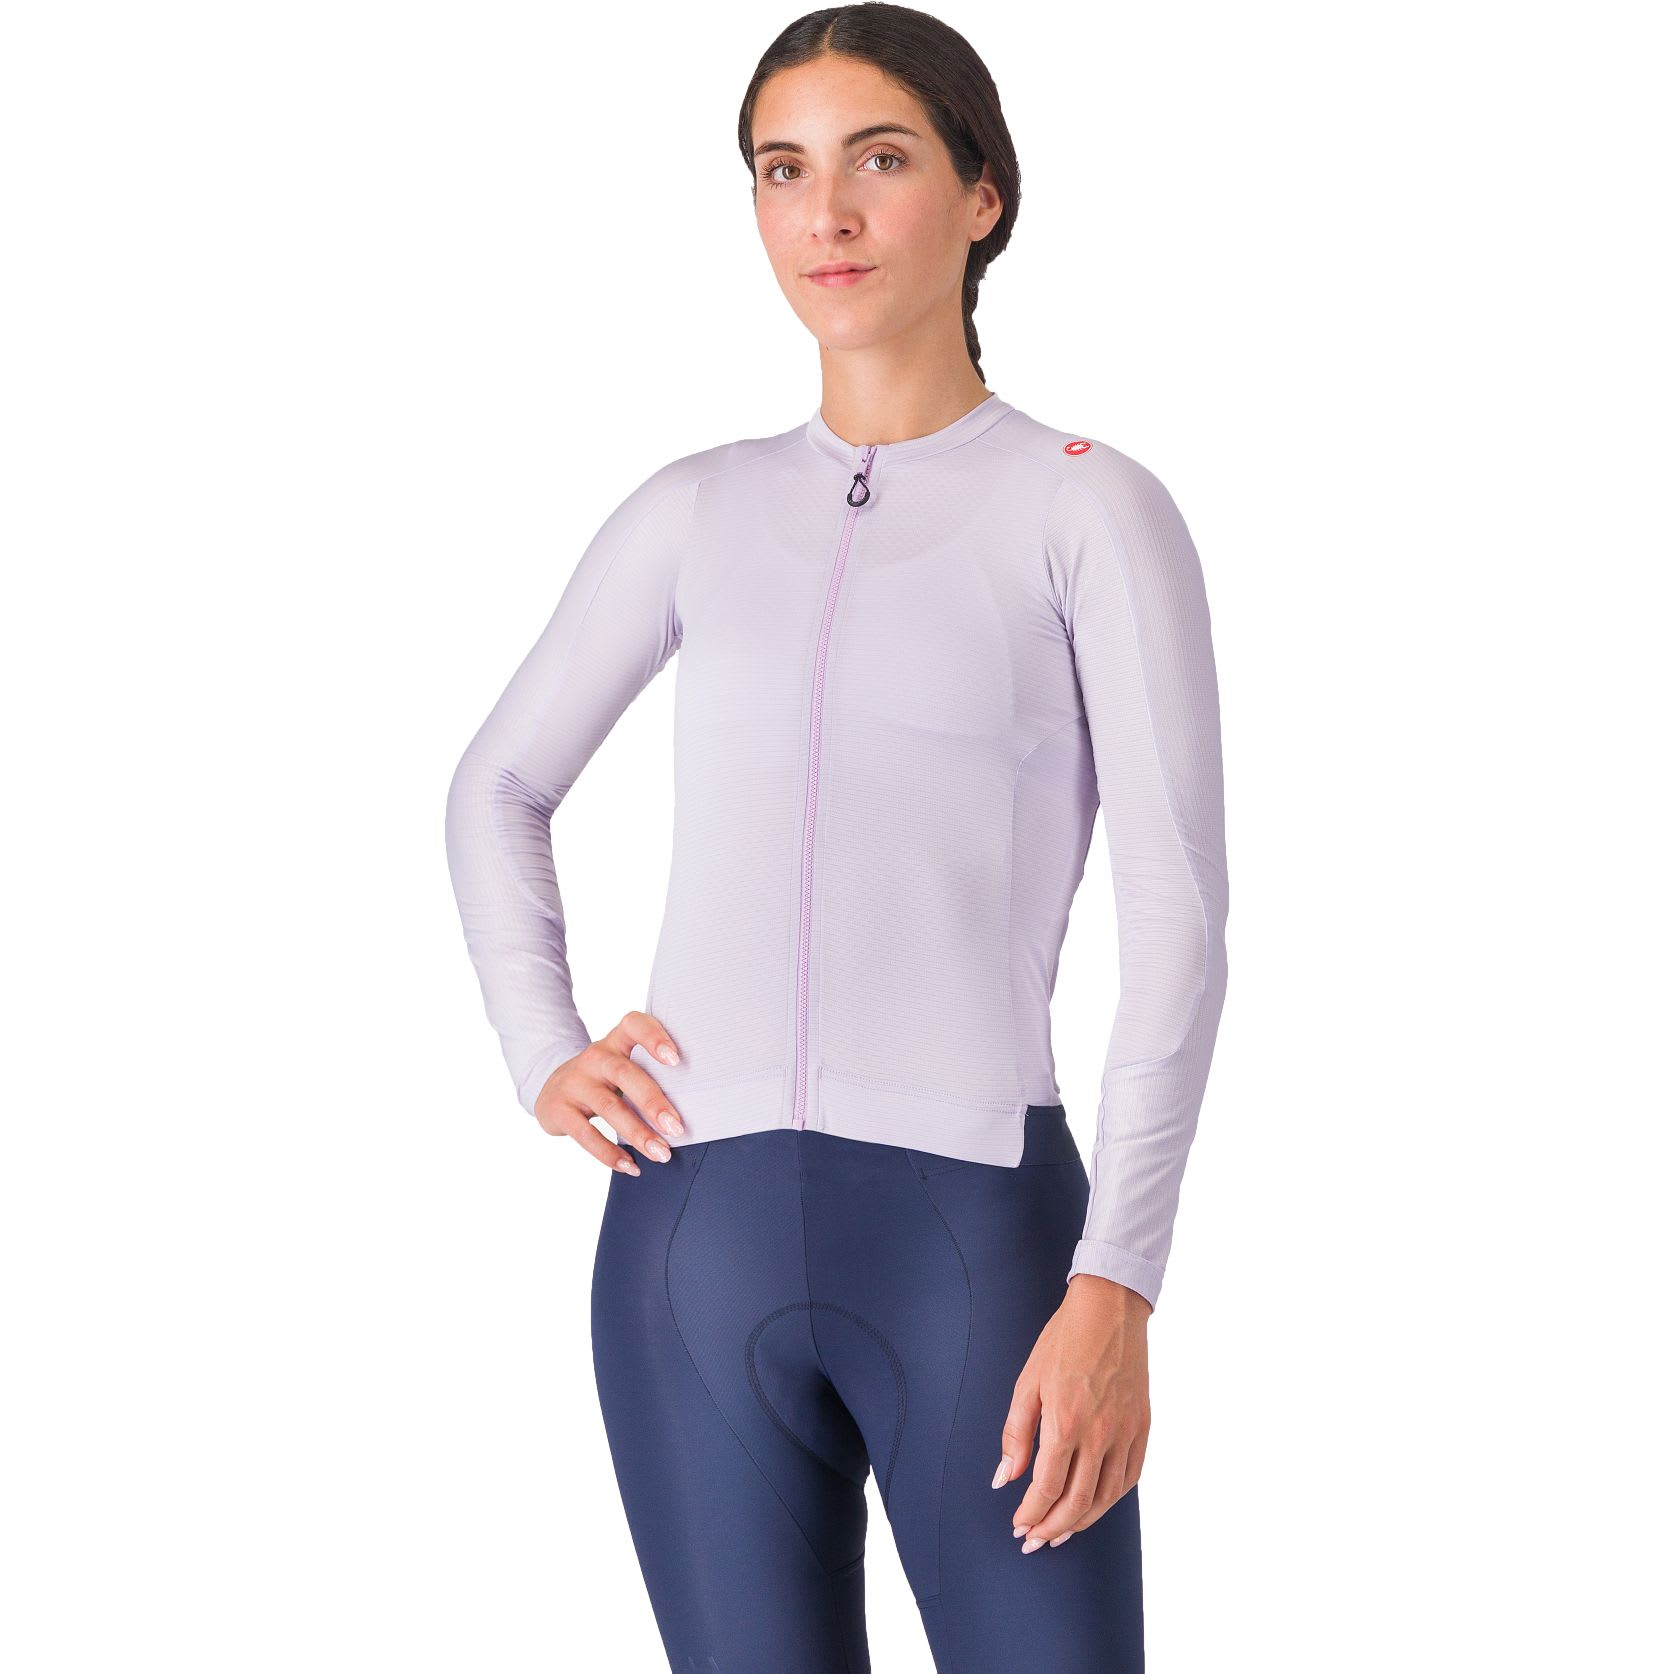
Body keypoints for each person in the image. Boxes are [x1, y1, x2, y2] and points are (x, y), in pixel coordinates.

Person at [444, 7, 1229, 1669]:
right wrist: (542, 1047)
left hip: (980, 1250)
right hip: (686, 1244)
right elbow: (497, 783)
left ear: (981, 194)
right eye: (781, 170)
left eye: (879, 159)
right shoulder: (694, 507)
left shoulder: (1085, 506)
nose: (828, 214)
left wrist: (1118, 1280)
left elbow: (1174, 914)